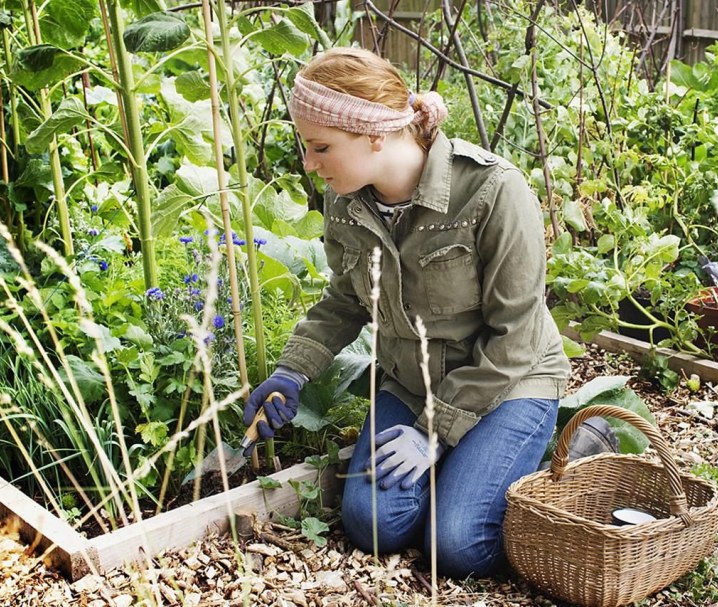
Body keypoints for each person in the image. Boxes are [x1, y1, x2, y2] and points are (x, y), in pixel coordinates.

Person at [243, 47, 570, 579]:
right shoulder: (346, 201)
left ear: (374, 135)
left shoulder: (492, 191)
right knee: (374, 525)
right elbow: (345, 298)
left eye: (321, 147)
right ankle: (465, 470)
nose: (308, 163)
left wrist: (434, 432)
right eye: (306, 146)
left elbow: (516, 335)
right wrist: (292, 371)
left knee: (458, 546)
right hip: (413, 383)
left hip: (508, 382)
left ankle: (548, 459)